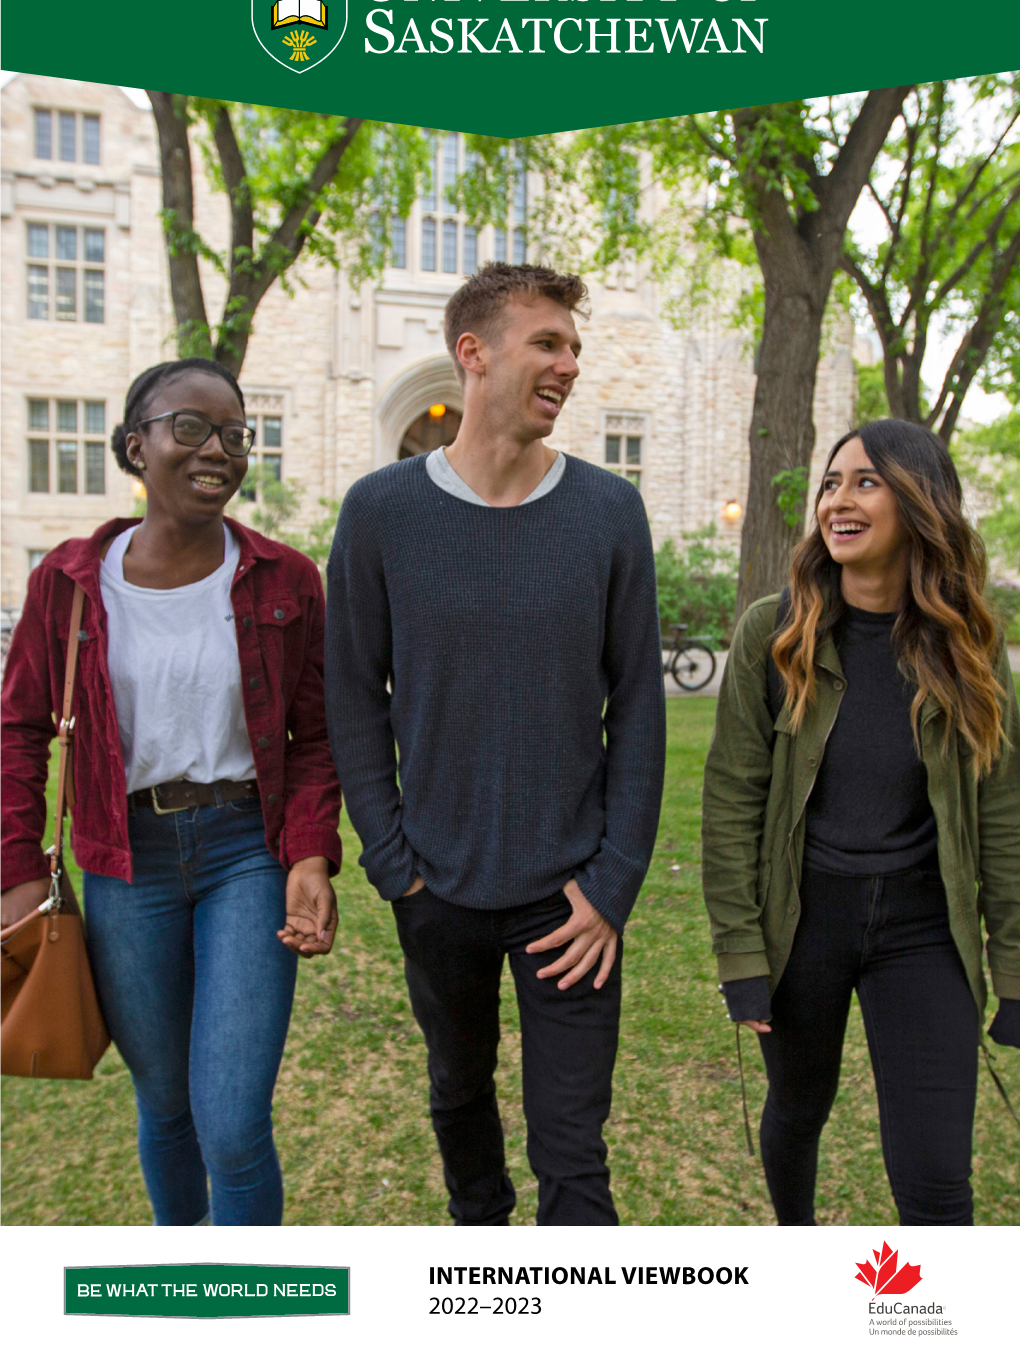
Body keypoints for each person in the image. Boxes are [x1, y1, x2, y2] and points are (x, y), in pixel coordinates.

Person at [325, 263, 666, 1226]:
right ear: (472, 355)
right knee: (459, 1107)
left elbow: (640, 706)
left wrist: (612, 885)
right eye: (547, 344)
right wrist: (395, 867)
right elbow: (351, 694)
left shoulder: (608, 513)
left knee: (575, 1155)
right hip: (437, 892)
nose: (567, 365)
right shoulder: (382, 513)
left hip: (571, 902)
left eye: (574, 349)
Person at [1, 357, 342, 1227]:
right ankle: (180, 1280)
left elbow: (319, 735)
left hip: (244, 855)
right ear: (134, 446)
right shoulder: (69, 584)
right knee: (164, 1107)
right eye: (189, 428)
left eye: (234, 434)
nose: (216, 450)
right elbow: (17, 731)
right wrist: (16, 871)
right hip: (125, 862)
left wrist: (308, 851)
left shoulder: (287, 581)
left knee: (230, 1121)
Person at [702, 419, 1020, 1227]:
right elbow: (733, 801)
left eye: (866, 482)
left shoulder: (971, 650)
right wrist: (741, 952)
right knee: (797, 1109)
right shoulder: (772, 636)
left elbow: (1005, 818)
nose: (839, 501)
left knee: (938, 1174)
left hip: (923, 929)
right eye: (832, 483)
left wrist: (1014, 971)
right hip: (804, 922)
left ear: (921, 503)